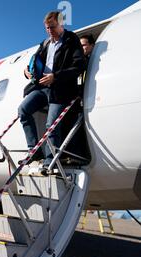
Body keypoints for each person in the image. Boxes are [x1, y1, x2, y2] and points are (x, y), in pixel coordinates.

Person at [18, 11, 85, 169]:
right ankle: (34, 150)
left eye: (52, 27)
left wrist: (56, 76)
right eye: (47, 28)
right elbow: (34, 62)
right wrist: (26, 71)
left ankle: (51, 159)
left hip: (60, 89)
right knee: (23, 110)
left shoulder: (71, 40)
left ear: (61, 24)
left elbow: (79, 66)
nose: (50, 31)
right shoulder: (45, 43)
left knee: (51, 124)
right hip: (41, 87)